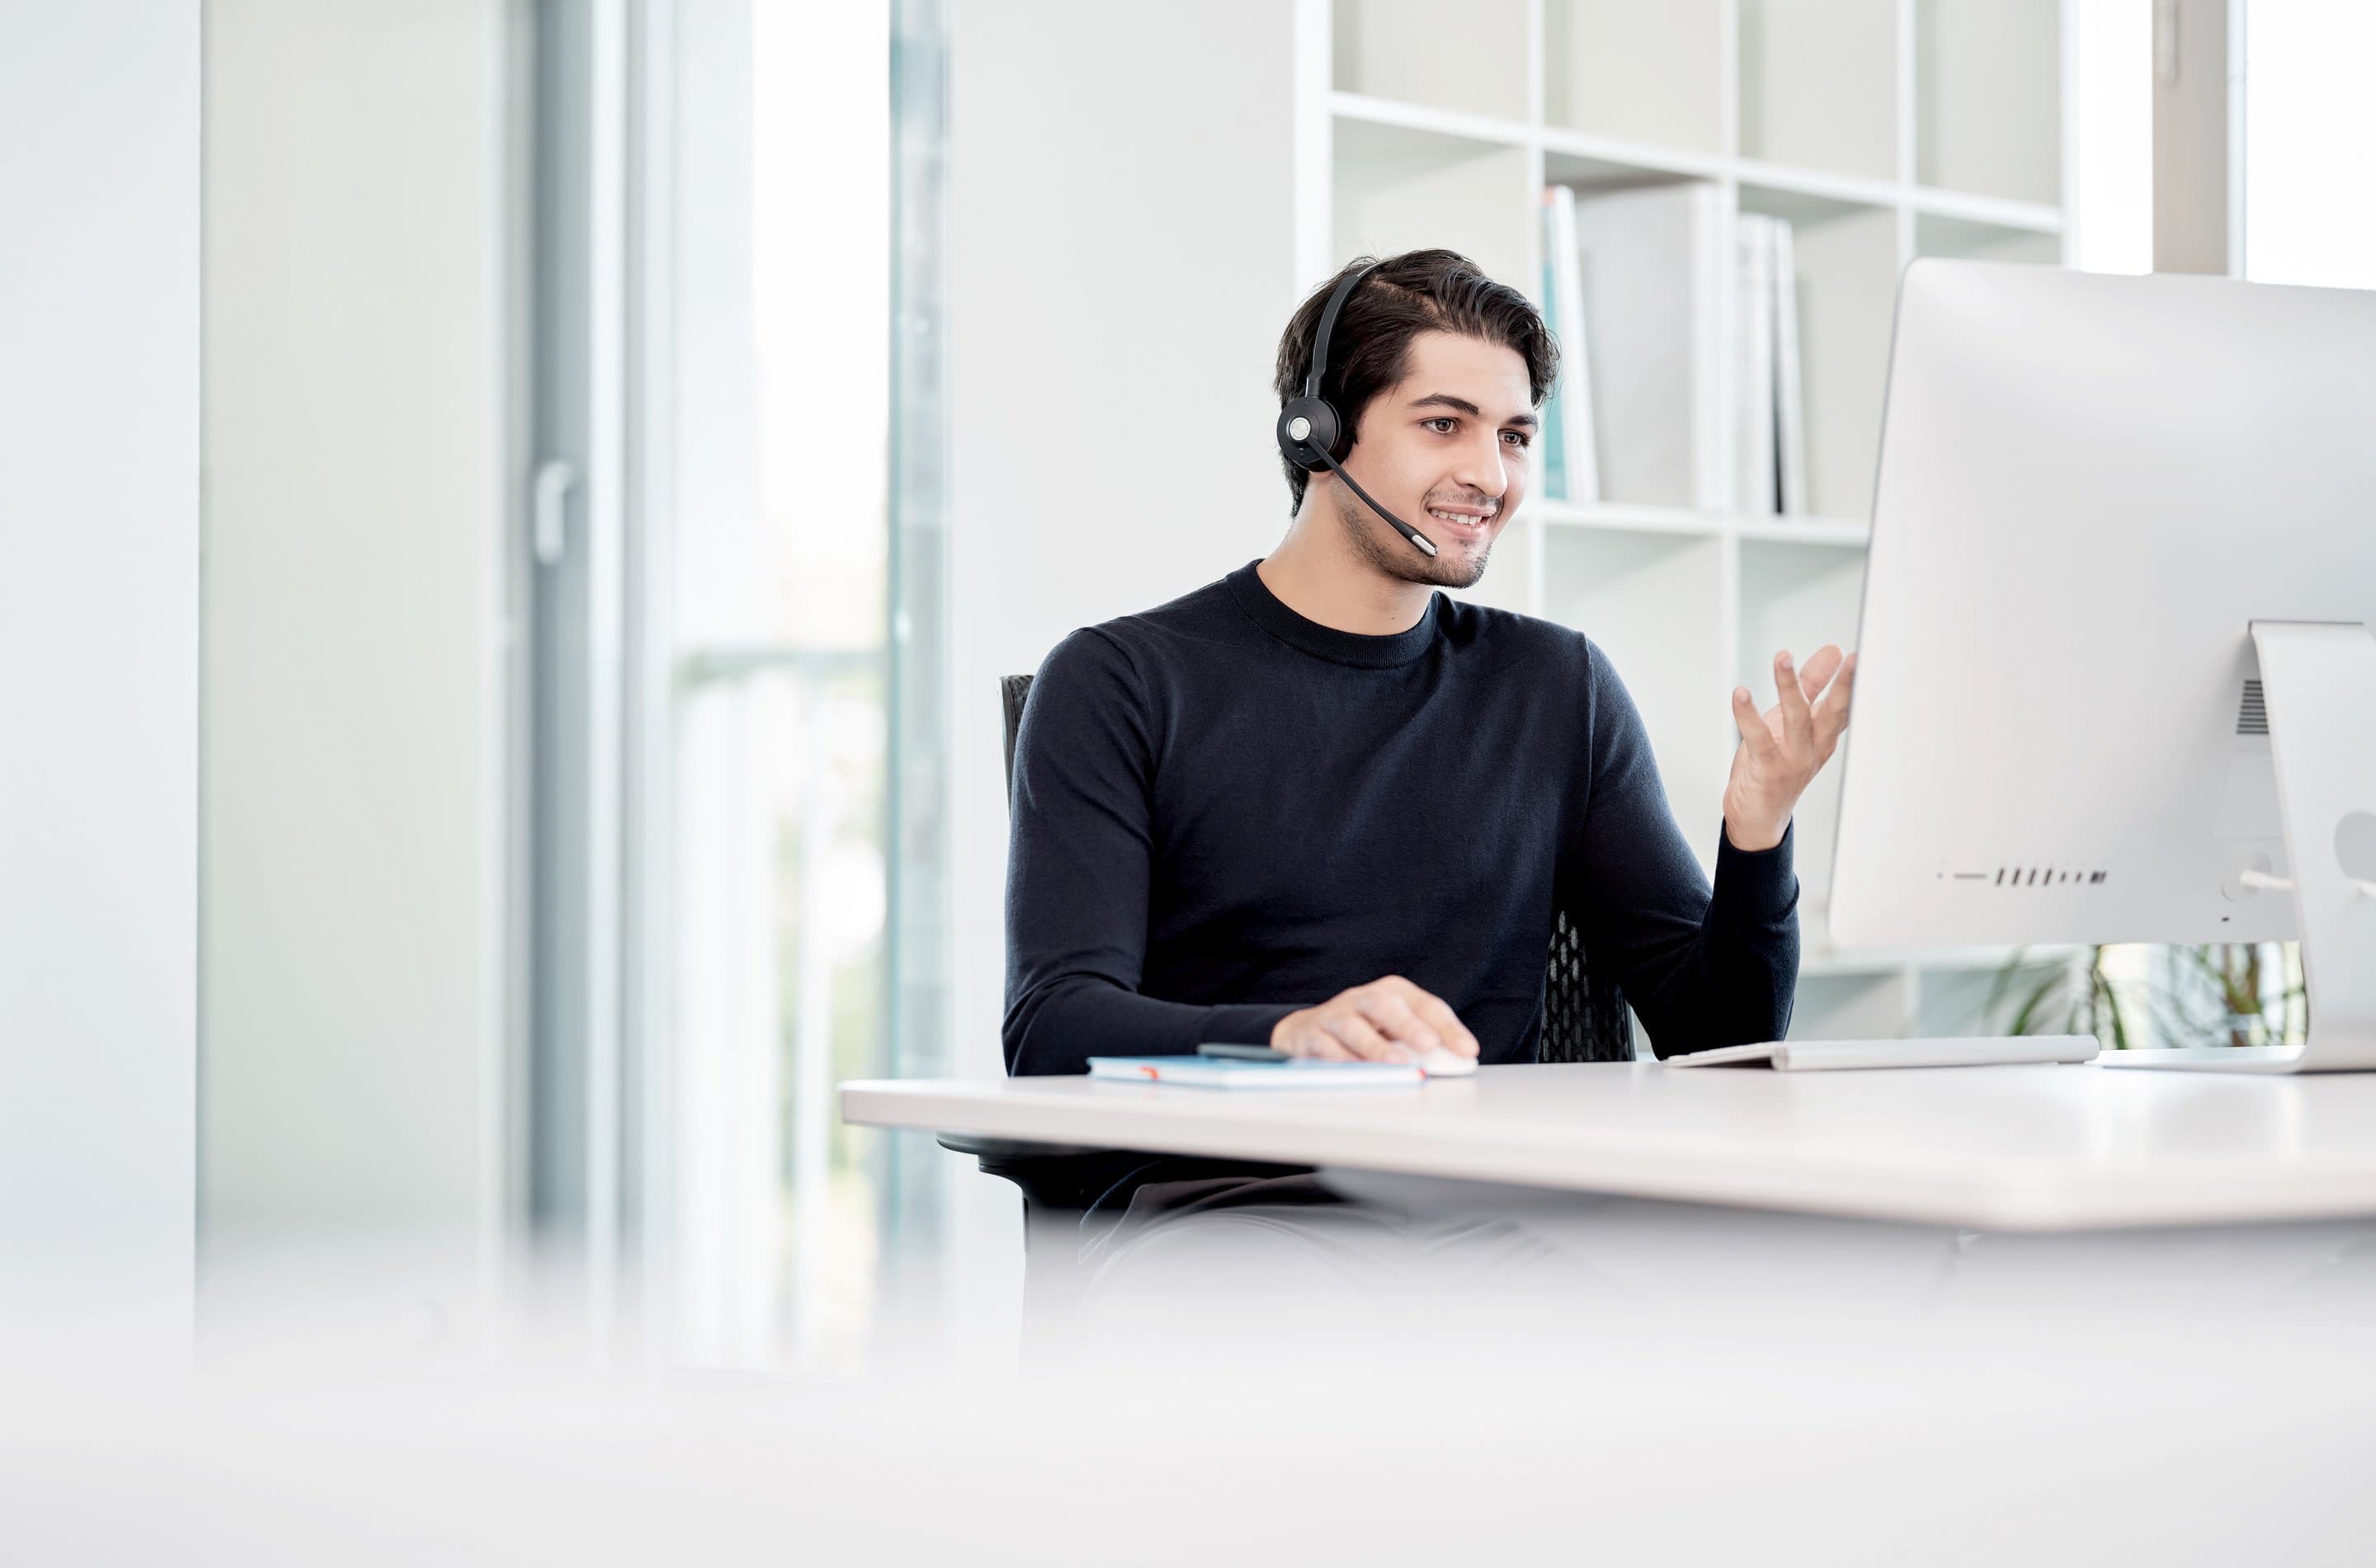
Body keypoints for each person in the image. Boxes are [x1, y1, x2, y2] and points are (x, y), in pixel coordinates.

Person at [1002, 248, 1854, 1078]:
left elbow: (1718, 1031)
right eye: (1443, 424)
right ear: (1318, 432)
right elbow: (1053, 1022)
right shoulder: (1121, 682)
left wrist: (1757, 830)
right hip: (1227, 1195)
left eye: (1514, 435)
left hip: (1490, 1191)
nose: (1489, 474)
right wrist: (1291, 1035)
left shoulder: (1559, 686)